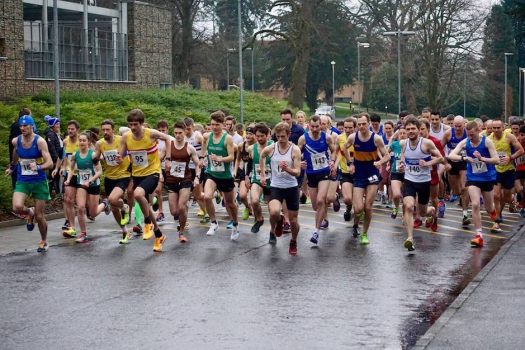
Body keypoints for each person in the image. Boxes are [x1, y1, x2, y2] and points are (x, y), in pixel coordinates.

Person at [117, 109, 172, 252]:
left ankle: (147, 222)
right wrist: (119, 158)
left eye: (135, 124)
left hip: (153, 172)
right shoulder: (126, 137)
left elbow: (167, 138)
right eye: (130, 125)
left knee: (137, 195)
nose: (133, 127)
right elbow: (121, 155)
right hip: (137, 174)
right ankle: (159, 234)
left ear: (141, 123)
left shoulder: (151, 134)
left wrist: (168, 159)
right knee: (145, 204)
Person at [6, 115, 53, 252]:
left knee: (40, 216)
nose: (22, 128)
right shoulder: (16, 141)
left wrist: (38, 167)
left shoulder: (40, 142)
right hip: (23, 180)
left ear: (32, 126)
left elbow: (49, 162)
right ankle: (29, 212)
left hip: (39, 181)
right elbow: (16, 152)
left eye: (25, 126)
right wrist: (13, 167)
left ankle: (43, 241)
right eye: (21, 126)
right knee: (16, 207)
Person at [448, 121, 499, 246]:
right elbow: (451, 155)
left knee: (489, 208)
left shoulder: (486, 142)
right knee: (475, 204)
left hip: (487, 178)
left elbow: (496, 160)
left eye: (472, 135)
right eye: (468, 135)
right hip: (473, 177)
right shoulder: (465, 142)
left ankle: (493, 214)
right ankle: (479, 235)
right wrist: (463, 158)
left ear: (478, 130)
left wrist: (482, 159)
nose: (470, 137)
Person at [343, 113, 390, 245]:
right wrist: (349, 163)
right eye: (359, 124)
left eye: (364, 124)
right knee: (358, 208)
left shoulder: (377, 139)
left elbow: (387, 156)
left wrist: (380, 163)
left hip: (372, 173)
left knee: (368, 207)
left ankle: (364, 234)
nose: (362, 126)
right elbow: (344, 148)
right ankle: (356, 223)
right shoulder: (353, 137)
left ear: (369, 124)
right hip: (359, 173)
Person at [398, 118, 444, 252]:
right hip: (409, 181)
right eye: (408, 129)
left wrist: (428, 163)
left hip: (424, 182)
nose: (410, 131)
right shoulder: (403, 143)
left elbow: (440, 157)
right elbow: (403, 155)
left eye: (413, 129)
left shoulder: (427, 144)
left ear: (419, 130)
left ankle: (432, 212)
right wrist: (402, 164)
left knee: (423, 212)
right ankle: (410, 238)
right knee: (408, 206)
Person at [259, 122, 302, 254]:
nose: (281, 139)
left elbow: (298, 172)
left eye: (283, 136)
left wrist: (287, 169)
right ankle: (278, 222)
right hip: (276, 186)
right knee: (274, 212)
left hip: (291, 187)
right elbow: (262, 156)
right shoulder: (271, 148)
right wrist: (262, 175)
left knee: (294, 221)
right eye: (278, 137)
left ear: (289, 135)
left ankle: (293, 241)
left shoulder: (295, 150)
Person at [200, 111, 239, 240]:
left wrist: (219, 159)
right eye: (212, 125)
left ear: (223, 124)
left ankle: (235, 224)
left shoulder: (227, 138)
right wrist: (202, 157)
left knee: (230, 204)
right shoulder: (207, 136)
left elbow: (231, 157)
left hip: (225, 175)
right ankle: (214, 223)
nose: (214, 127)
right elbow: (204, 146)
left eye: (217, 125)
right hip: (211, 173)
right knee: (207, 197)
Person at [93, 119, 134, 244]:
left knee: (111, 200)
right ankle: (125, 231)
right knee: (114, 208)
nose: (105, 132)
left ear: (113, 130)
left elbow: (131, 152)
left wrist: (125, 159)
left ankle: (125, 207)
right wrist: (93, 158)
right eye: (103, 130)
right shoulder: (100, 144)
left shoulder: (121, 140)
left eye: (107, 130)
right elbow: (96, 156)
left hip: (123, 175)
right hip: (109, 177)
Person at [64, 132, 111, 243]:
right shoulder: (76, 155)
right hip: (81, 184)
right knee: (80, 207)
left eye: (84, 140)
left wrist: (90, 181)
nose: (82, 142)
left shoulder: (93, 155)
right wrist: (68, 179)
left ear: (89, 142)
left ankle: (105, 204)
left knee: (93, 213)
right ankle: (83, 233)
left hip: (93, 184)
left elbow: (99, 172)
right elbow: (71, 169)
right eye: (80, 140)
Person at [298, 115, 336, 244]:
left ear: (321, 125)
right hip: (311, 174)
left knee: (321, 201)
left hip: (324, 172)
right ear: (309, 125)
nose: (315, 129)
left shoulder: (327, 137)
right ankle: (334, 196)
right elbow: (296, 154)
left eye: (317, 126)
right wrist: (300, 162)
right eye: (312, 126)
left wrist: (332, 161)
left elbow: (334, 151)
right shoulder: (303, 138)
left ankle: (316, 231)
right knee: (315, 206)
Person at [166, 121, 201, 242]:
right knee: (174, 211)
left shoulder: (189, 148)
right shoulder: (169, 146)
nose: (178, 135)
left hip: (185, 180)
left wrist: (197, 177)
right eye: (175, 133)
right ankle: (184, 209)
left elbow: (198, 165)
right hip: (171, 180)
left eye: (180, 133)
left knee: (181, 207)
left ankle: (181, 231)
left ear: (185, 132)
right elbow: (157, 159)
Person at [488, 119, 524, 230]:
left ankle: (512, 200)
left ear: (503, 127)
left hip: (508, 170)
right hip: (495, 170)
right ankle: (496, 221)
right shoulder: (488, 140)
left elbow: (521, 150)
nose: (496, 130)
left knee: (506, 198)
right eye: (494, 128)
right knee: (496, 195)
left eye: (498, 127)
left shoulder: (509, 137)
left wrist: (510, 157)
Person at [442, 116, 470, 226]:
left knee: (464, 187)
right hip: (452, 163)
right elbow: (439, 149)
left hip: (464, 162)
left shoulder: (468, 133)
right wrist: (445, 163)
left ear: (464, 125)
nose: (457, 128)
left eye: (460, 126)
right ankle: (461, 198)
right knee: (457, 191)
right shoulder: (448, 134)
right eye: (455, 126)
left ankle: (465, 214)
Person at [245, 122, 273, 233]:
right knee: (255, 201)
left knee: (273, 211)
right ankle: (259, 218)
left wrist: (266, 170)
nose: (260, 138)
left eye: (262, 136)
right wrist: (247, 176)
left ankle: (273, 232)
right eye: (258, 136)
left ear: (267, 135)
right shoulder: (251, 148)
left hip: (272, 181)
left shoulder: (273, 146)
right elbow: (250, 163)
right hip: (257, 179)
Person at [334, 117, 360, 235]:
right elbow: (335, 152)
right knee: (348, 199)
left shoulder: (360, 137)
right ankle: (348, 207)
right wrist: (333, 164)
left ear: (355, 127)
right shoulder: (340, 138)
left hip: (360, 173)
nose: (348, 130)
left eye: (350, 127)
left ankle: (355, 226)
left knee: (359, 203)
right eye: (346, 127)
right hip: (345, 172)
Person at [59, 120, 81, 236]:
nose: (70, 131)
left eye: (72, 129)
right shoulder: (65, 141)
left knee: (86, 205)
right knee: (68, 200)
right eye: (68, 129)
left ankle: (103, 205)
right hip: (70, 173)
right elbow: (66, 156)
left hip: (82, 173)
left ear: (78, 130)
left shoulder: (82, 141)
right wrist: (63, 167)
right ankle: (72, 227)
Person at [184, 117, 206, 220]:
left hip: (199, 167)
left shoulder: (197, 136)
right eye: (185, 128)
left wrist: (202, 158)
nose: (186, 131)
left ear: (193, 127)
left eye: (188, 128)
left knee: (197, 194)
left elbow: (206, 146)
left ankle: (212, 196)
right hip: (187, 169)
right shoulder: (182, 136)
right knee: (191, 194)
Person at [234, 123, 255, 221]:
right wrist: (235, 170)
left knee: (255, 198)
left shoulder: (257, 145)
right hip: (244, 171)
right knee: (242, 196)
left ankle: (257, 215)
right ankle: (247, 207)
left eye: (251, 134)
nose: (249, 136)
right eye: (248, 134)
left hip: (255, 171)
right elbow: (238, 159)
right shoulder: (241, 145)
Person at [9, 108, 32, 192]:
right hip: (18, 160)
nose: (23, 128)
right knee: (18, 183)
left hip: (25, 160)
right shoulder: (17, 127)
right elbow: (15, 146)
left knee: (27, 182)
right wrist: (13, 162)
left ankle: (24, 202)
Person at [43, 115, 63, 196]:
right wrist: (56, 160)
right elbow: (51, 148)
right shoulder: (50, 134)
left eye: (58, 124)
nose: (58, 126)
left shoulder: (53, 133)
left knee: (55, 176)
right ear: (52, 125)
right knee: (54, 177)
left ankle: (54, 193)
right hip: (54, 160)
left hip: (57, 159)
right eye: (56, 124)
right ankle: (54, 193)